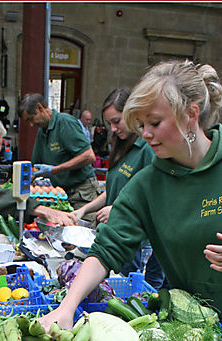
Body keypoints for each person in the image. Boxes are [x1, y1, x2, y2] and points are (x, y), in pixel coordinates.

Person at [40, 59, 222, 341]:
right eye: (140, 125)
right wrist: (66, 309)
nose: (145, 134)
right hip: (194, 333)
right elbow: (107, 250)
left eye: (155, 122)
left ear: (190, 114)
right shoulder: (147, 186)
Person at [70, 87, 165, 289]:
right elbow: (113, 190)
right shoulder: (121, 147)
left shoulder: (147, 150)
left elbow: (155, 197)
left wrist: (117, 210)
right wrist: (85, 209)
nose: (112, 128)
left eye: (116, 121)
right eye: (109, 123)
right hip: (112, 235)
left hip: (132, 240)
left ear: (132, 114)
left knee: (129, 290)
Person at [18, 93, 100, 214]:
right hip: (62, 194)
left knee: (82, 231)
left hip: (82, 191)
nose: (31, 125)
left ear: (40, 108)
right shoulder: (42, 132)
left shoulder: (64, 123)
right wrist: (20, 190)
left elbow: (89, 156)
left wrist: (55, 169)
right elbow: (35, 167)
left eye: (31, 119)